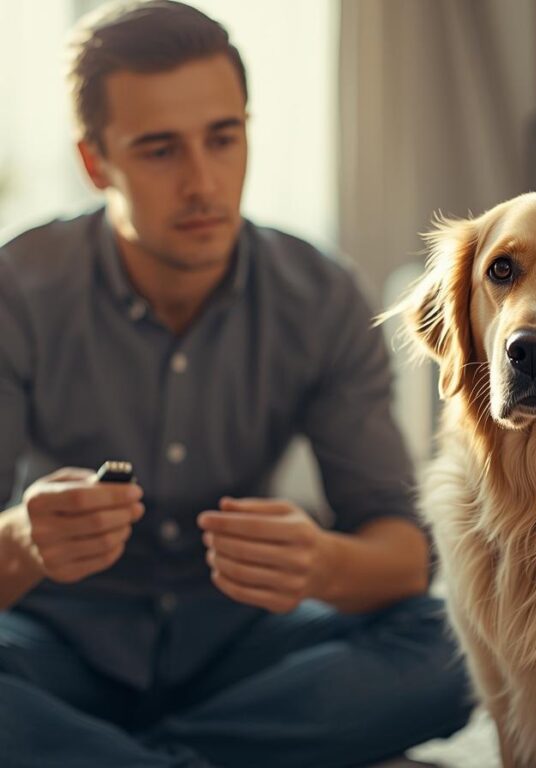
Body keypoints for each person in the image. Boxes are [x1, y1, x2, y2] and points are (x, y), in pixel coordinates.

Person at [0, 2, 472, 766]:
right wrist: (23, 538)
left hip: (239, 638)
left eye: (224, 138)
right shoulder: (16, 288)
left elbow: (402, 555)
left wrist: (320, 564)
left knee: (454, 648)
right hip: (55, 636)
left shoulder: (321, 295)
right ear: (96, 163)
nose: (203, 182)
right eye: (159, 151)